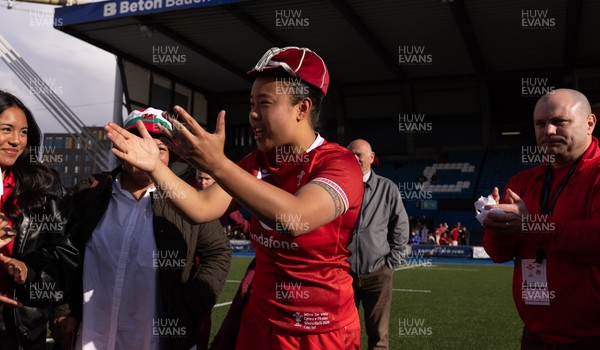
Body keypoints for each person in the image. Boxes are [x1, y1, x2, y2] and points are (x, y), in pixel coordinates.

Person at [104, 46, 364, 350]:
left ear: (302, 109)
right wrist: (154, 169)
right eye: (251, 103)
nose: (253, 114)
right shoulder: (256, 162)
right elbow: (201, 208)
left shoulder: (340, 164)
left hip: (321, 331)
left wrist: (218, 164)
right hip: (260, 320)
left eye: (265, 103)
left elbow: (296, 219)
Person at [50, 108, 231, 350]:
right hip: (90, 338)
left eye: (160, 149)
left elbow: (218, 252)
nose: (148, 154)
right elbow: (65, 253)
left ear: (172, 157)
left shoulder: (189, 201)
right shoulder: (89, 193)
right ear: (121, 148)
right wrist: (65, 308)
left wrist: (191, 305)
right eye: (138, 143)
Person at [483, 88, 600, 348]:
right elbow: (497, 254)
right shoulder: (521, 182)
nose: (548, 131)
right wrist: (496, 225)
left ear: (590, 123)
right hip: (536, 335)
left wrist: (531, 226)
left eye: (559, 122)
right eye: (540, 123)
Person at [0, 91, 79, 349]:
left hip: (20, 331)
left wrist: (29, 271)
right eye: (6, 129)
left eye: (23, 132)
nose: (16, 141)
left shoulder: (44, 186)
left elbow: (66, 254)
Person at [347, 139, 409, 350]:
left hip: (377, 275)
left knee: (379, 337)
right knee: (342, 333)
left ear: (371, 159)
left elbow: (400, 227)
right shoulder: (338, 187)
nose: (355, 159)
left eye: (359, 155)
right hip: (343, 274)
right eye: (351, 154)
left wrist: (390, 264)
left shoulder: (387, 188)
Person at [196, 170, 251, 235]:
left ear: (214, 179)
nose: (203, 182)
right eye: (200, 178)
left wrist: (251, 232)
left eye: (207, 179)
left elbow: (237, 219)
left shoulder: (221, 196)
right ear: (196, 178)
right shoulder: (192, 193)